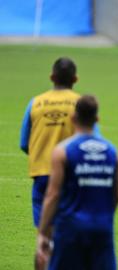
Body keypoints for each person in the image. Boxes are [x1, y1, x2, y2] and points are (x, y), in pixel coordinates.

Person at [35, 95, 118, 270]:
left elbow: (53, 195)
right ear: (97, 119)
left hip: (70, 229)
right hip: (102, 229)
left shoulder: (63, 151)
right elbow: (115, 197)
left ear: (73, 118)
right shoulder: (112, 152)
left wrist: (43, 232)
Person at [20, 57, 81, 228]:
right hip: (71, 173)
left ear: (52, 77)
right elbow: (89, 140)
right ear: (75, 79)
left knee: (44, 228)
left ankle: (46, 248)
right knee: (68, 224)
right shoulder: (80, 104)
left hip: (42, 172)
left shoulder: (35, 103)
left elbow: (24, 143)